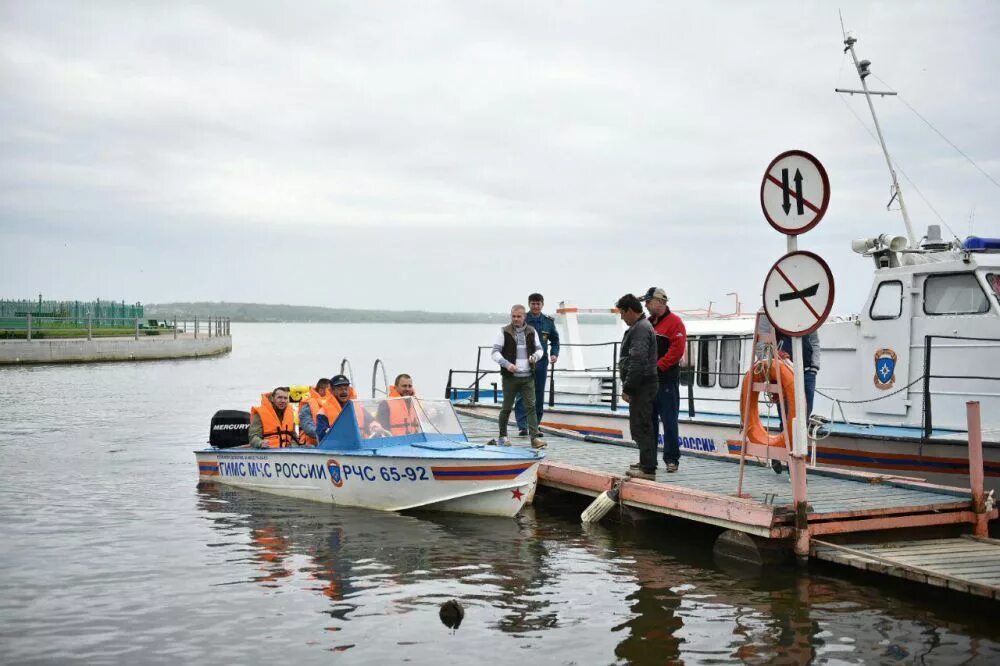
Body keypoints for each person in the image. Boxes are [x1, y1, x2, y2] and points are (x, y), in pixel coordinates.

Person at [641, 286, 687, 473]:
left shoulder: (675, 323)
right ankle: (649, 460)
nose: (646, 305)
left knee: (669, 421)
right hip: (649, 382)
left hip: (666, 380)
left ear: (660, 302)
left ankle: (671, 459)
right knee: (649, 422)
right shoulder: (648, 323)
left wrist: (657, 367)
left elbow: (677, 351)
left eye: (649, 301)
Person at [616, 294, 658, 479]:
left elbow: (638, 360)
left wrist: (628, 388)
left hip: (643, 384)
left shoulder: (640, 329)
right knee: (641, 423)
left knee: (642, 425)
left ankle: (648, 469)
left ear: (630, 311)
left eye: (622, 313)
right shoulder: (641, 326)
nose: (622, 317)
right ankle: (645, 461)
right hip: (645, 383)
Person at [491, 304, 545, 448]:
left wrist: (535, 357)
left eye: (519, 316)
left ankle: (534, 439)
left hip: (528, 377)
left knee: (531, 407)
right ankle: (502, 436)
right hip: (510, 377)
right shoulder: (504, 331)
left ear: (524, 316)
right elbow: (495, 353)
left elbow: (540, 350)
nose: (516, 319)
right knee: (506, 407)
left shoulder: (532, 331)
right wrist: (507, 364)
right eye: (513, 316)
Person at [514, 293, 560, 437]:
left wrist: (554, 353)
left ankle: (535, 426)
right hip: (524, 362)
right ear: (529, 304)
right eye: (533, 303)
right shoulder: (522, 319)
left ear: (542, 305)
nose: (535, 306)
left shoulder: (548, 322)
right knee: (523, 394)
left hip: (541, 363)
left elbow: (555, 340)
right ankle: (522, 426)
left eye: (538, 303)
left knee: (538, 395)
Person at [315, 375, 387, 441]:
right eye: (340, 389)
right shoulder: (323, 412)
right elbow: (322, 436)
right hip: (338, 449)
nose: (344, 392)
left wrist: (375, 427)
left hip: (361, 445)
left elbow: (371, 421)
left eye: (346, 388)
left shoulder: (359, 408)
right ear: (332, 391)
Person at [776, 330, 820, 418]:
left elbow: (814, 342)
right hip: (785, 371)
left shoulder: (810, 322)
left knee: (806, 410)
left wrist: (814, 367)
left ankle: (803, 430)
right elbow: (767, 341)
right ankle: (785, 430)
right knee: (785, 411)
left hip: (808, 372)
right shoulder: (779, 321)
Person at [298, 377, 331, 446]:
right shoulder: (308, 405)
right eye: (329, 390)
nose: (331, 392)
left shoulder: (333, 404)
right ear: (321, 390)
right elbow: (307, 427)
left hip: (329, 443)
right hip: (310, 446)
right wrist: (326, 434)